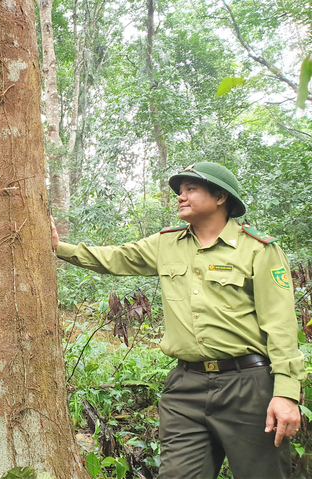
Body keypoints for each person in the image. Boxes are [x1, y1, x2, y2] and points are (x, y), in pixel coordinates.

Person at [51, 162, 306, 479]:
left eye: (191, 189)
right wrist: (58, 247)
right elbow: (114, 258)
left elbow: (280, 327)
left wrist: (285, 393)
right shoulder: (166, 243)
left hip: (248, 386)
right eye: (179, 191)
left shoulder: (258, 249)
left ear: (220, 197)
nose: (180, 197)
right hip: (186, 387)